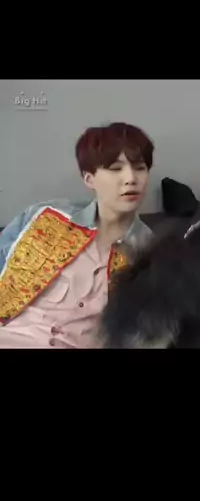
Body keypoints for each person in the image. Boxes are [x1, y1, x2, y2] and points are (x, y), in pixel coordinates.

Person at [0, 122, 154, 349]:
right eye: (115, 169)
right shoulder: (45, 218)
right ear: (89, 179)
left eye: (140, 168)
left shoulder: (151, 252)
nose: (131, 178)